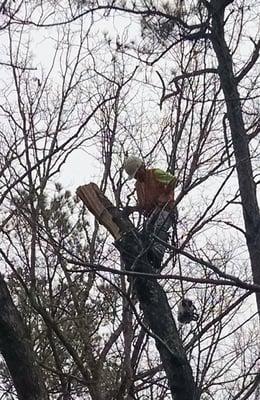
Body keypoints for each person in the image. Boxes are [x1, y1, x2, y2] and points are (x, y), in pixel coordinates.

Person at [123, 156, 177, 269]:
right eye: (135, 176)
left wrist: (165, 194)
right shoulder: (138, 186)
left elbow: (173, 180)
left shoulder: (155, 173)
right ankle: (147, 258)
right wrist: (132, 209)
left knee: (159, 227)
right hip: (153, 215)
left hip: (167, 210)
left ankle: (157, 254)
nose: (137, 178)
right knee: (144, 234)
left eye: (138, 174)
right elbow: (143, 206)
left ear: (142, 167)